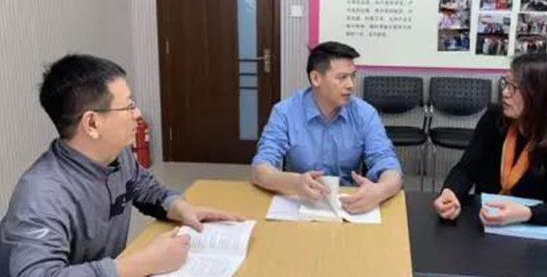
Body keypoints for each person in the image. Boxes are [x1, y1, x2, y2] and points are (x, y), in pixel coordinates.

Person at [0, 54, 243, 277]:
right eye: (129, 105)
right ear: (92, 124)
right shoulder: (42, 194)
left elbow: (146, 189)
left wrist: (179, 207)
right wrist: (142, 263)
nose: (138, 113)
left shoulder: (117, 154)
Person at [432, 52, 547, 227]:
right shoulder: (495, 118)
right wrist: (450, 193)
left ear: (540, 95)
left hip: (540, 231)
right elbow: (466, 168)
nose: (505, 93)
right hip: (487, 223)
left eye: (514, 88)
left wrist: (527, 213)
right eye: (505, 83)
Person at [251, 41, 402, 214]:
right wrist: (294, 183)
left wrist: (380, 190)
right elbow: (260, 169)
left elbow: (388, 162)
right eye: (342, 77)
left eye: (352, 76)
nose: (351, 85)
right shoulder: (285, 112)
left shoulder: (365, 114)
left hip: (348, 204)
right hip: (300, 203)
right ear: (316, 78)